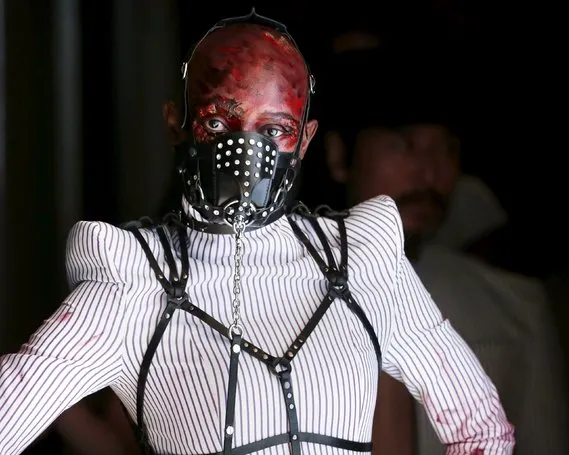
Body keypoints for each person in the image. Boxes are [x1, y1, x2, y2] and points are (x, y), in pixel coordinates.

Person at [0, 10, 514, 455]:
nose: (246, 154)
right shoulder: (131, 281)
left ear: (304, 140)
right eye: (220, 125)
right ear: (177, 125)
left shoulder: (360, 260)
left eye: (273, 130)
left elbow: (482, 428)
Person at [323, 71, 569, 454]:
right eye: (403, 145)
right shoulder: (270, 292)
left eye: (446, 149)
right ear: (340, 155)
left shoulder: (514, 306)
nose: (429, 172)